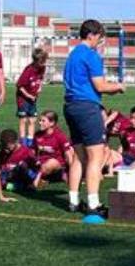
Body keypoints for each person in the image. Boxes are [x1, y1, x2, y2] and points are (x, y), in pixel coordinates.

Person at [62, 19, 125, 218]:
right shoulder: (91, 55)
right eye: (99, 37)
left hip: (71, 106)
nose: (100, 41)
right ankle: (93, 203)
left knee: (79, 156)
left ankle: (73, 201)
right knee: (95, 157)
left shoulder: (72, 55)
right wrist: (118, 87)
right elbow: (100, 86)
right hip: (87, 108)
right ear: (91, 35)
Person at [31, 111, 74, 189]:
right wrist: (34, 160)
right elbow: (33, 151)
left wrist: (72, 173)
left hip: (56, 165)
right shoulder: (37, 135)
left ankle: (37, 179)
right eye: (40, 120)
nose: (40, 123)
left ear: (52, 123)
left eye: (43, 121)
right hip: (40, 164)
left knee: (51, 163)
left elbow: (68, 155)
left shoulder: (59, 136)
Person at [16, 48, 48, 147]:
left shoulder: (42, 68)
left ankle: (30, 141)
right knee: (23, 120)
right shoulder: (28, 70)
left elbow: (41, 78)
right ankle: (23, 141)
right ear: (36, 61)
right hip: (23, 98)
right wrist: (28, 95)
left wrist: (40, 87)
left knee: (32, 119)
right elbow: (19, 86)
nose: (43, 63)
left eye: (44, 61)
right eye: (42, 62)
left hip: (33, 98)